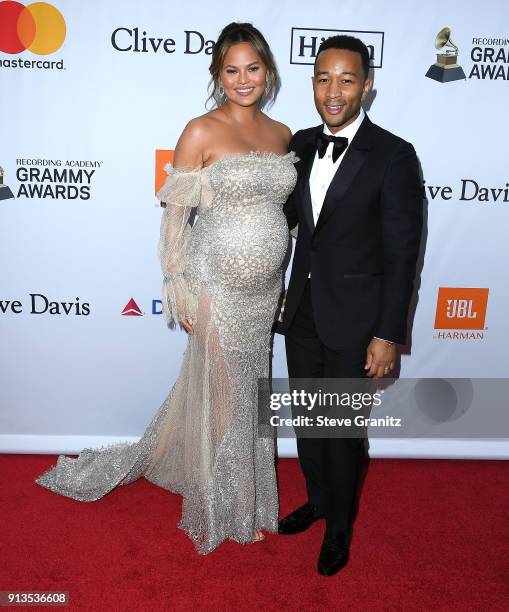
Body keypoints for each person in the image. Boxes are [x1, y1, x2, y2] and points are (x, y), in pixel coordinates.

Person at [36, 22, 297, 555]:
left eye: (252, 68)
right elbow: (175, 220)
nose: (243, 79)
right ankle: (227, 506)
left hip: (264, 285)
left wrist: (283, 275)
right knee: (229, 392)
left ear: (267, 71)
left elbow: (282, 215)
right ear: (217, 75)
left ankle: (249, 494)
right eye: (231, 70)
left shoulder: (282, 133)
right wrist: (176, 283)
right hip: (215, 282)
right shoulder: (200, 130)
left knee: (251, 390)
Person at [279, 35, 423, 575]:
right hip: (303, 312)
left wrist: (387, 334)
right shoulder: (298, 143)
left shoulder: (393, 154)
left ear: (366, 86)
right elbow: (283, 222)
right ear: (312, 83)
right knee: (308, 421)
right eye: (323, 79)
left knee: (341, 429)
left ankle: (340, 528)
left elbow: (403, 252)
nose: (332, 91)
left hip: (358, 321)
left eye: (346, 80)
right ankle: (318, 501)